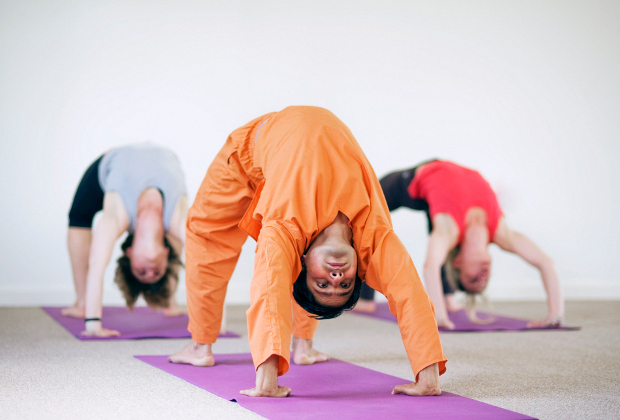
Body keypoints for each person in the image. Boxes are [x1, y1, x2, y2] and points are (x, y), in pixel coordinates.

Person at [169, 106, 446, 398]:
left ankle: (201, 346)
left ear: (301, 263)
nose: (336, 276)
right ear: (359, 269)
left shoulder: (285, 228)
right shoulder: (373, 238)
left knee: (205, 231)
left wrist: (267, 381)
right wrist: (427, 376)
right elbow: (409, 292)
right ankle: (304, 345)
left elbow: (270, 287)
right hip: (271, 153)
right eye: (345, 283)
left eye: (323, 283)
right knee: (219, 239)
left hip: (245, 158)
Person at [356, 160, 564, 330]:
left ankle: (370, 300)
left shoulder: (449, 231)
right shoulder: (501, 232)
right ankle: (446, 298)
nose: (483, 276)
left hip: (415, 183)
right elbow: (547, 263)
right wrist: (554, 315)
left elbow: (430, 266)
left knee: (368, 218)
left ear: (458, 262)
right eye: (485, 280)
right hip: (427, 172)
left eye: (474, 279)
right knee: (365, 214)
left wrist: (439, 317)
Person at [62, 143, 195, 337]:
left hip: (109, 163)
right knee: (187, 237)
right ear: (165, 256)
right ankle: (170, 301)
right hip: (162, 155)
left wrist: (93, 325)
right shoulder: (178, 221)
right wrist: (217, 327)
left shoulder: (116, 217)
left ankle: (84, 304)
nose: (150, 269)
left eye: (142, 272)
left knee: (78, 217)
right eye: (157, 272)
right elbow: (210, 264)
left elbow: (97, 266)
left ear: (129, 252)